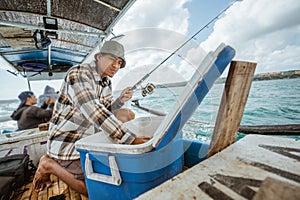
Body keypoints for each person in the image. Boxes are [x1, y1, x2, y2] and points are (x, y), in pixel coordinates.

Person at [33, 40, 150, 196]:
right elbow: (95, 112)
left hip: (89, 137)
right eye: (112, 59)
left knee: (127, 114)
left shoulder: (107, 82)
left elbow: (105, 110)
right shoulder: (78, 74)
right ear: (99, 57)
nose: (116, 65)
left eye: (119, 62)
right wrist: (131, 140)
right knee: (101, 190)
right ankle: (48, 164)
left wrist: (120, 100)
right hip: (68, 144)